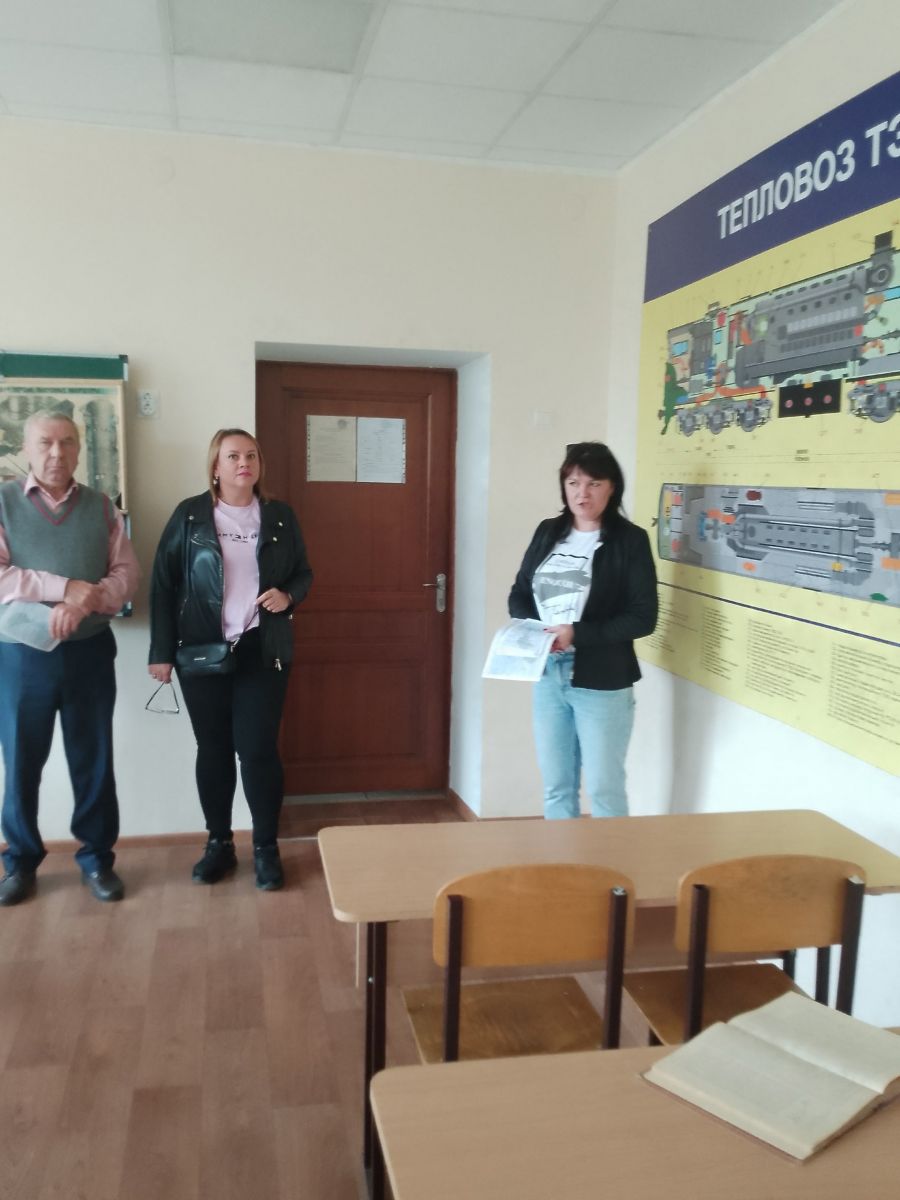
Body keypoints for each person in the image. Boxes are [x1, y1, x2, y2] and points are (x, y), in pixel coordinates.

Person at [148, 428, 312, 891]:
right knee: (214, 749)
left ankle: (265, 847)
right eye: (234, 456)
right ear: (216, 467)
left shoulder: (279, 516)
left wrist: (289, 595)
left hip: (263, 649)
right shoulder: (190, 516)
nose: (244, 463)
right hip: (202, 651)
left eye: (252, 455)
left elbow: (303, 572)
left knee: (257, 750)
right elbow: (163, 585)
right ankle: (218, 844)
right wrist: (161, 652)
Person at [0, 410, 140, 905]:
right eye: (45, 443)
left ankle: (97, 860)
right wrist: (65, 588)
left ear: (79, 448)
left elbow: (126, 575)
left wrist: (86, 600)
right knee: (21, 762)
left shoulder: (102, 507)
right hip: (22, 658)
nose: (57, 453)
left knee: (93, 760)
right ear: (26, 448)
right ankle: (20, 861)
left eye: (67, 442)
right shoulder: (3, 503)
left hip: (89, 653)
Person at [508, 441, 657, 820]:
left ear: (612, 487)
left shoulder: (630, 540)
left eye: (593, 484)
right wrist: (536, 632)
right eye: (573, 483)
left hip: (602, 680)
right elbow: (520, 594)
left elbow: (643, 617)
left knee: (604, 789)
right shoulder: (548, 532)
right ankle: (562, 859)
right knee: (556, 787)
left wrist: (576, 634)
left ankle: (612, 861)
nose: (582, 493)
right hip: (548, 674)